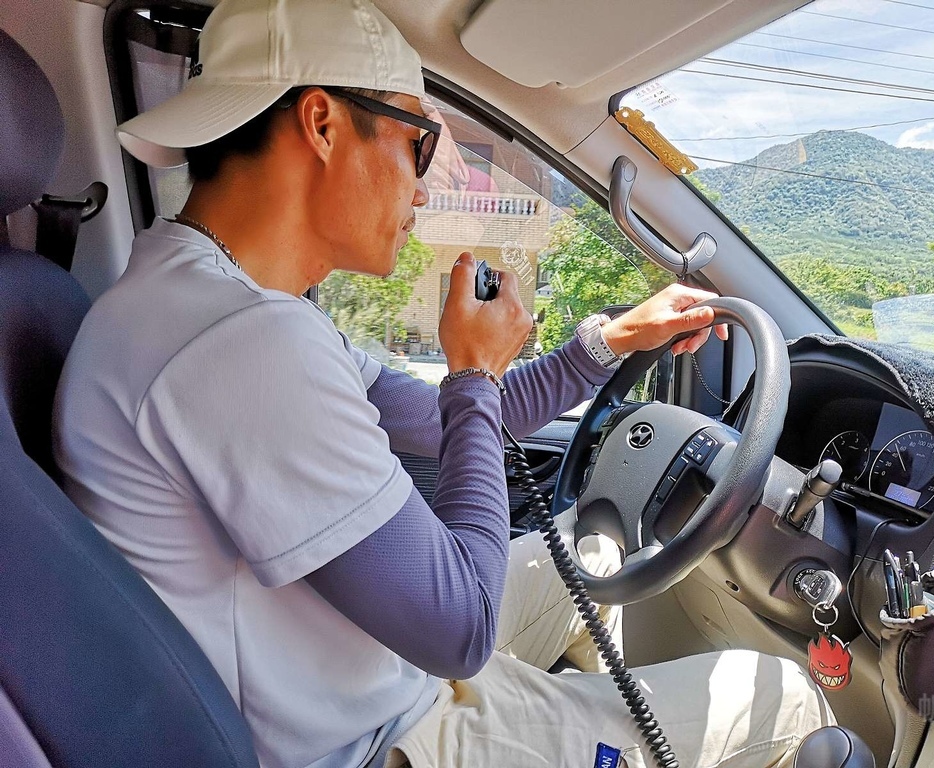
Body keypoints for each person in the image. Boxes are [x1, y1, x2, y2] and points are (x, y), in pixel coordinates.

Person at [53, 0, 833, 766]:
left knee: (590, 551)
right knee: (786, 694)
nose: (423, 187)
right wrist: (471, 371)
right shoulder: (239, 341)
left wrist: (607, 342)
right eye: (418, 142)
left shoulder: (209, 300)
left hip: (373, 672)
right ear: (322, 124)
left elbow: (438, 424)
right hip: (383, 737)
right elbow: (459, 629)